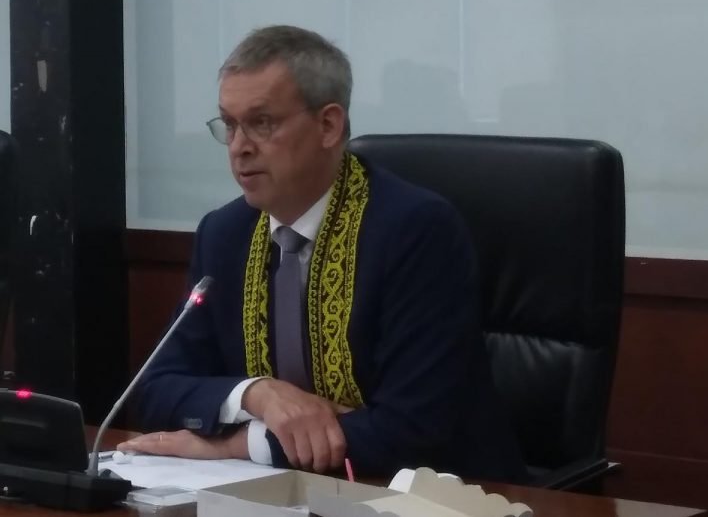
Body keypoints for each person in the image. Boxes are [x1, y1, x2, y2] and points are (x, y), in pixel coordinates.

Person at [120, 25, 527, 483]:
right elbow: (156, 389)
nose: (239, 147)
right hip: (279, 494)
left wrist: (238, 443)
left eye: (262, 123)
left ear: (328, 125)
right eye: (230, 125)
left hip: (437, 494)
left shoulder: (415, 231)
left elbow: (414, 428)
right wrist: (259, 395)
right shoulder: (225, 234)